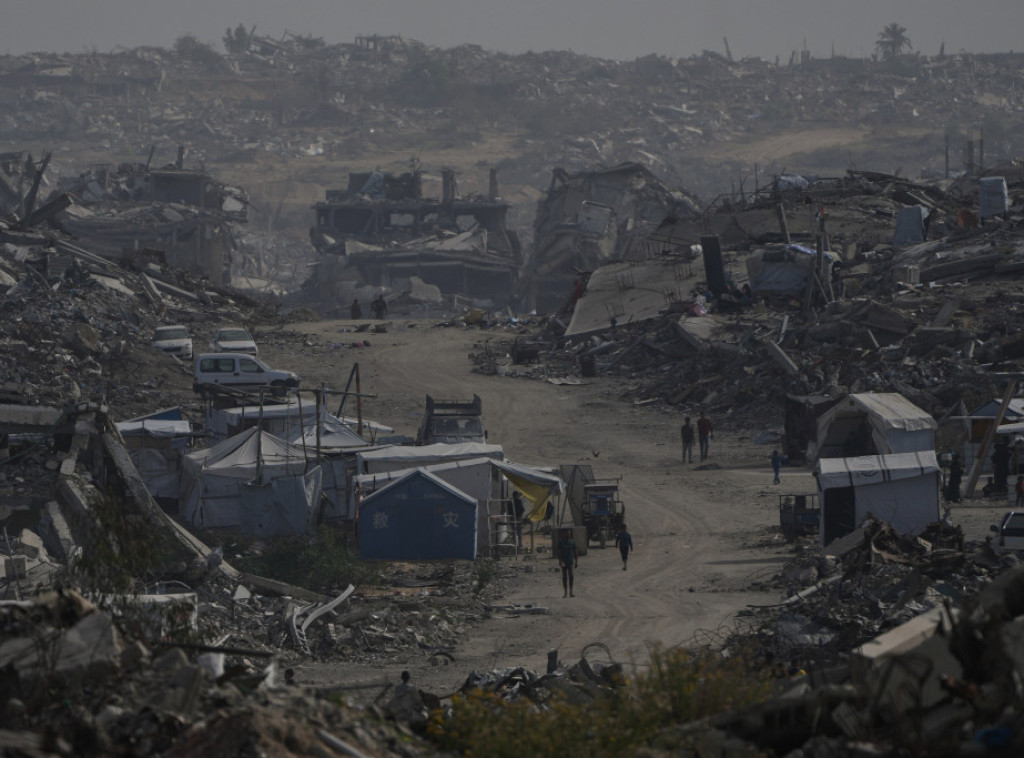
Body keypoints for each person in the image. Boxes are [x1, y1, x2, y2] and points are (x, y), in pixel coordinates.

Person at [556, 528, 578, 598]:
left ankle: (571, 591)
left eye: (569, 533)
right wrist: (560, 561)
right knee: (564, 577)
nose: (568, 534)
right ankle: (565, 592)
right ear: (564, 534)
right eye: (567, 533)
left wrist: (576, 561)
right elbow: (559, 553)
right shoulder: (561, 543)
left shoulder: (572, 542)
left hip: (570, 561)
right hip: (564, 561)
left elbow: (575, 552)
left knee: (571, 576)